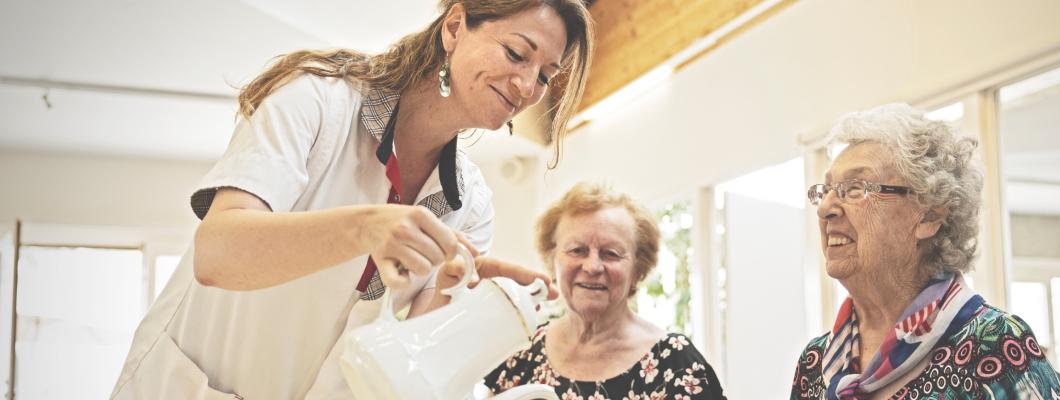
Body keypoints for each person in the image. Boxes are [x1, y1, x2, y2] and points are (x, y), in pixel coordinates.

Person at [111, 1, 593, 398]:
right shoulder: (317, 101)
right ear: (454, 27)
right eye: (516, 53)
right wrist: (368, 228)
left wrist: (453, 296)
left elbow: (407, 359)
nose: (527, 87)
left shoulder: (471, 204)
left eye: (545, 76)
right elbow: (217, 255)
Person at [791, 104, 1060, 399]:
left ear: (929, 216)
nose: (825, 208)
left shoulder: (994, 343)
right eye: (826, 190)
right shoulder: (815, 362)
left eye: (855, 188)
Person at [484, 182, 726, 399]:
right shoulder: (520, 352)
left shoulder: (675, 364)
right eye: (577, 250)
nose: (592, 266)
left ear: (638, 268)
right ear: (552, 258)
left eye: (611, 253)